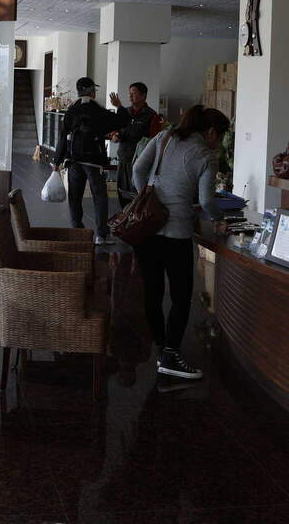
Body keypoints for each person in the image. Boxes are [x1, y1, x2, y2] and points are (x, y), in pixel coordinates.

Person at [132, 105, 230, 380]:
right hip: (177, 234)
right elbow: (207, 201)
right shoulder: (206, 155)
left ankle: (161, 347)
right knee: (181, 296)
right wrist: (219, 219)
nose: (219, 142)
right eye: (221, 136)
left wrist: (147, 200)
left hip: (148, 230)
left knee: (152, 292)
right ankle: (170, 355)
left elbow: (137, 169)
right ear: (211, 132)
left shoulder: (164, 137)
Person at [53, 77, 129, 245]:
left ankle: (78, 233)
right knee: (99, 197)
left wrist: (57, 161)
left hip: (74, 161)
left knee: (74, 197)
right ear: (92, 91)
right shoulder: (97, 110)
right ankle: (101, 235)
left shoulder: (71, 110)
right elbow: (122, 121)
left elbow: (63, 137)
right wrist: (119, 106)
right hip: (94, 161)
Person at [109, 82, 158, 208]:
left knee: (137, 195)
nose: (130, 96)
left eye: (133, 93)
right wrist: (114, 136)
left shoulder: (151, 115)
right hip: (123, 159)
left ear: (143, 96)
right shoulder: (125, 112)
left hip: (139, 162)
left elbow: (155, 140)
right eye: (129, 93)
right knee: (122, 193)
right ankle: (125, 217)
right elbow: (115, 131)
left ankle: (137, 217)